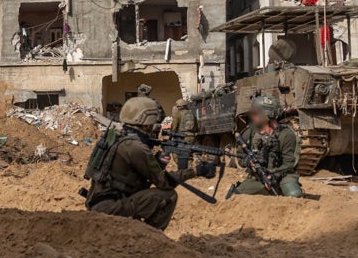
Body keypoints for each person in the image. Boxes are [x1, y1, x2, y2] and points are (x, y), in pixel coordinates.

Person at [85, 96, 216, 230]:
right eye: (153, 124)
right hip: (111, 207)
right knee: (169, 196)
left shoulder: (117, 136)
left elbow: (136, 176)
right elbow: (165, 182)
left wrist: (158, 161)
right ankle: (149, 236)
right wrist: (196, 171)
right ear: (146, 124)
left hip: (98, 201)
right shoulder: (136, 147)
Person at [228, 94, 303, 198]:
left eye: (255, 113)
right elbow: (241, 156)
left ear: (267, 114)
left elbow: (289, 163)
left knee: (294, 194)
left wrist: (274, 175)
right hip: (258, 177)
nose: (251, 116)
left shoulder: (286, 134)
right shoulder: (249, 133)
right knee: (235, 197)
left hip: (283, 175)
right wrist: (248, 162)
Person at [169, 99, 198, 171]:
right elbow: (197, 127)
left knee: (176, 152)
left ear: (179, 106)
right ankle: (190, 168)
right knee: (189, 152)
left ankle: (182, 168)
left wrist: (171, 136)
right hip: (192, 136)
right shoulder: (192, 114)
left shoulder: (178, 114)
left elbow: (174, 127)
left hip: (182, 137)